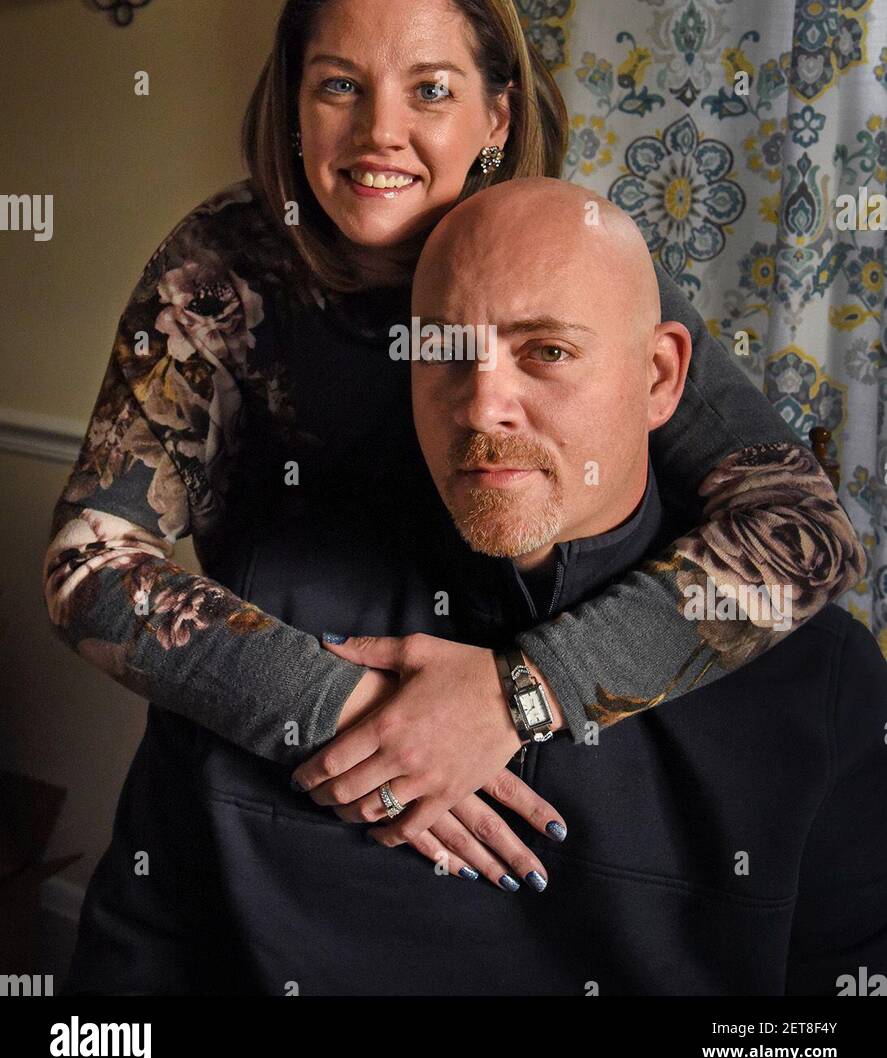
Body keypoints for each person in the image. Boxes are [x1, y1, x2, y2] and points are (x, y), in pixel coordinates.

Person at [43, 0, 865, 878]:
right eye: (338, 87)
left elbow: (803, 529)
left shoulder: (568, 254)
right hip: (279, 767)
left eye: (430, 89)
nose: (378, 132)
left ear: (498, 118)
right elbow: (86, 565)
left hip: (571, 744)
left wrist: (520, 693)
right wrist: (354, 719)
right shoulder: (221, 270)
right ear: (294, 110)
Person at [63, 181, 886, 997]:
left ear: (661, 377)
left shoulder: (820, 681)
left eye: (548, 352)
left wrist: (525, 691)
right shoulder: (259, 603)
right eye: (446, 351)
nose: (483, 405)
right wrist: (325, 706)